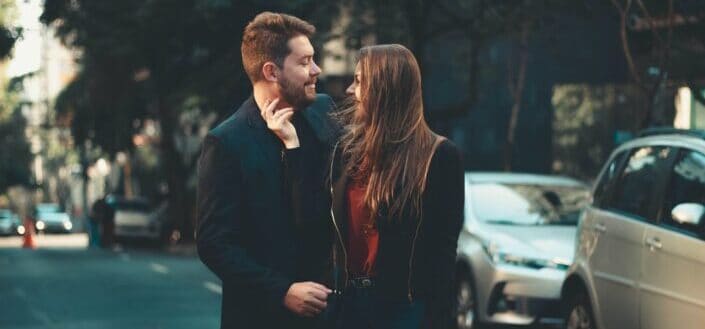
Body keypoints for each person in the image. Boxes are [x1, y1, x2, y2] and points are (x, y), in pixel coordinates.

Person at [267, 44, 464, 328]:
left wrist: (439, 321)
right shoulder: (346, 150)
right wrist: (291, 145)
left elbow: (444, 255)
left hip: (406, 311)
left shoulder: (440, 155)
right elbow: (311, 219)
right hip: (349, 308)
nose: (349, 91)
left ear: (385, 87)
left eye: (359, 81)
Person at [196, 12, 338, 329]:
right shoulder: (227, 142)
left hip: (330, 315)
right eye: (304, 63)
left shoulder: (325, 111)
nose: (317, 70)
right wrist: (281, 291)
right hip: (260, 317)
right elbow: (213, 243)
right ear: (271, 71)